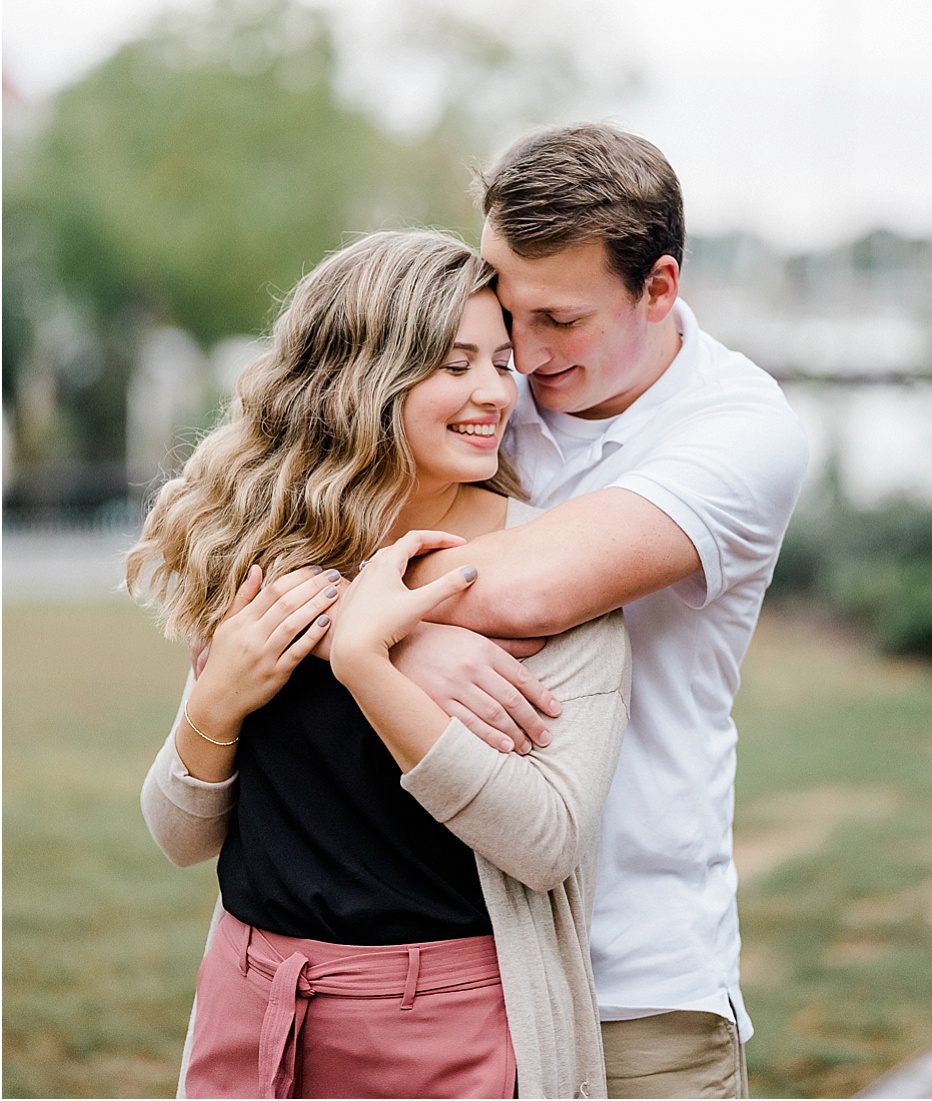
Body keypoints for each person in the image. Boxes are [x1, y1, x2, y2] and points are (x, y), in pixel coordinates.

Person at [129, 230, 630, 1100]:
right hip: (248, 1005)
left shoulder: (548, 578)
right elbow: (179, 836)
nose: (491, 393)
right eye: (452, 363)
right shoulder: (271, 558)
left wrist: (369, 663)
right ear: (361, 378)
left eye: (501, 361)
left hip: (447, 1028)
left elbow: (546, 843)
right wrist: (217, 696)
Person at [394, 124, 810, 1099]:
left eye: (560, 319)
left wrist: (372, 634)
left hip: (631, 983)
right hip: (442, 959)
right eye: (504, 303)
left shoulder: (739, 429)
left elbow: (530, 590)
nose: (524, 354)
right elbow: (262, 522)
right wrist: (380, 637)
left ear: (659, 288)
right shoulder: (481, 381)